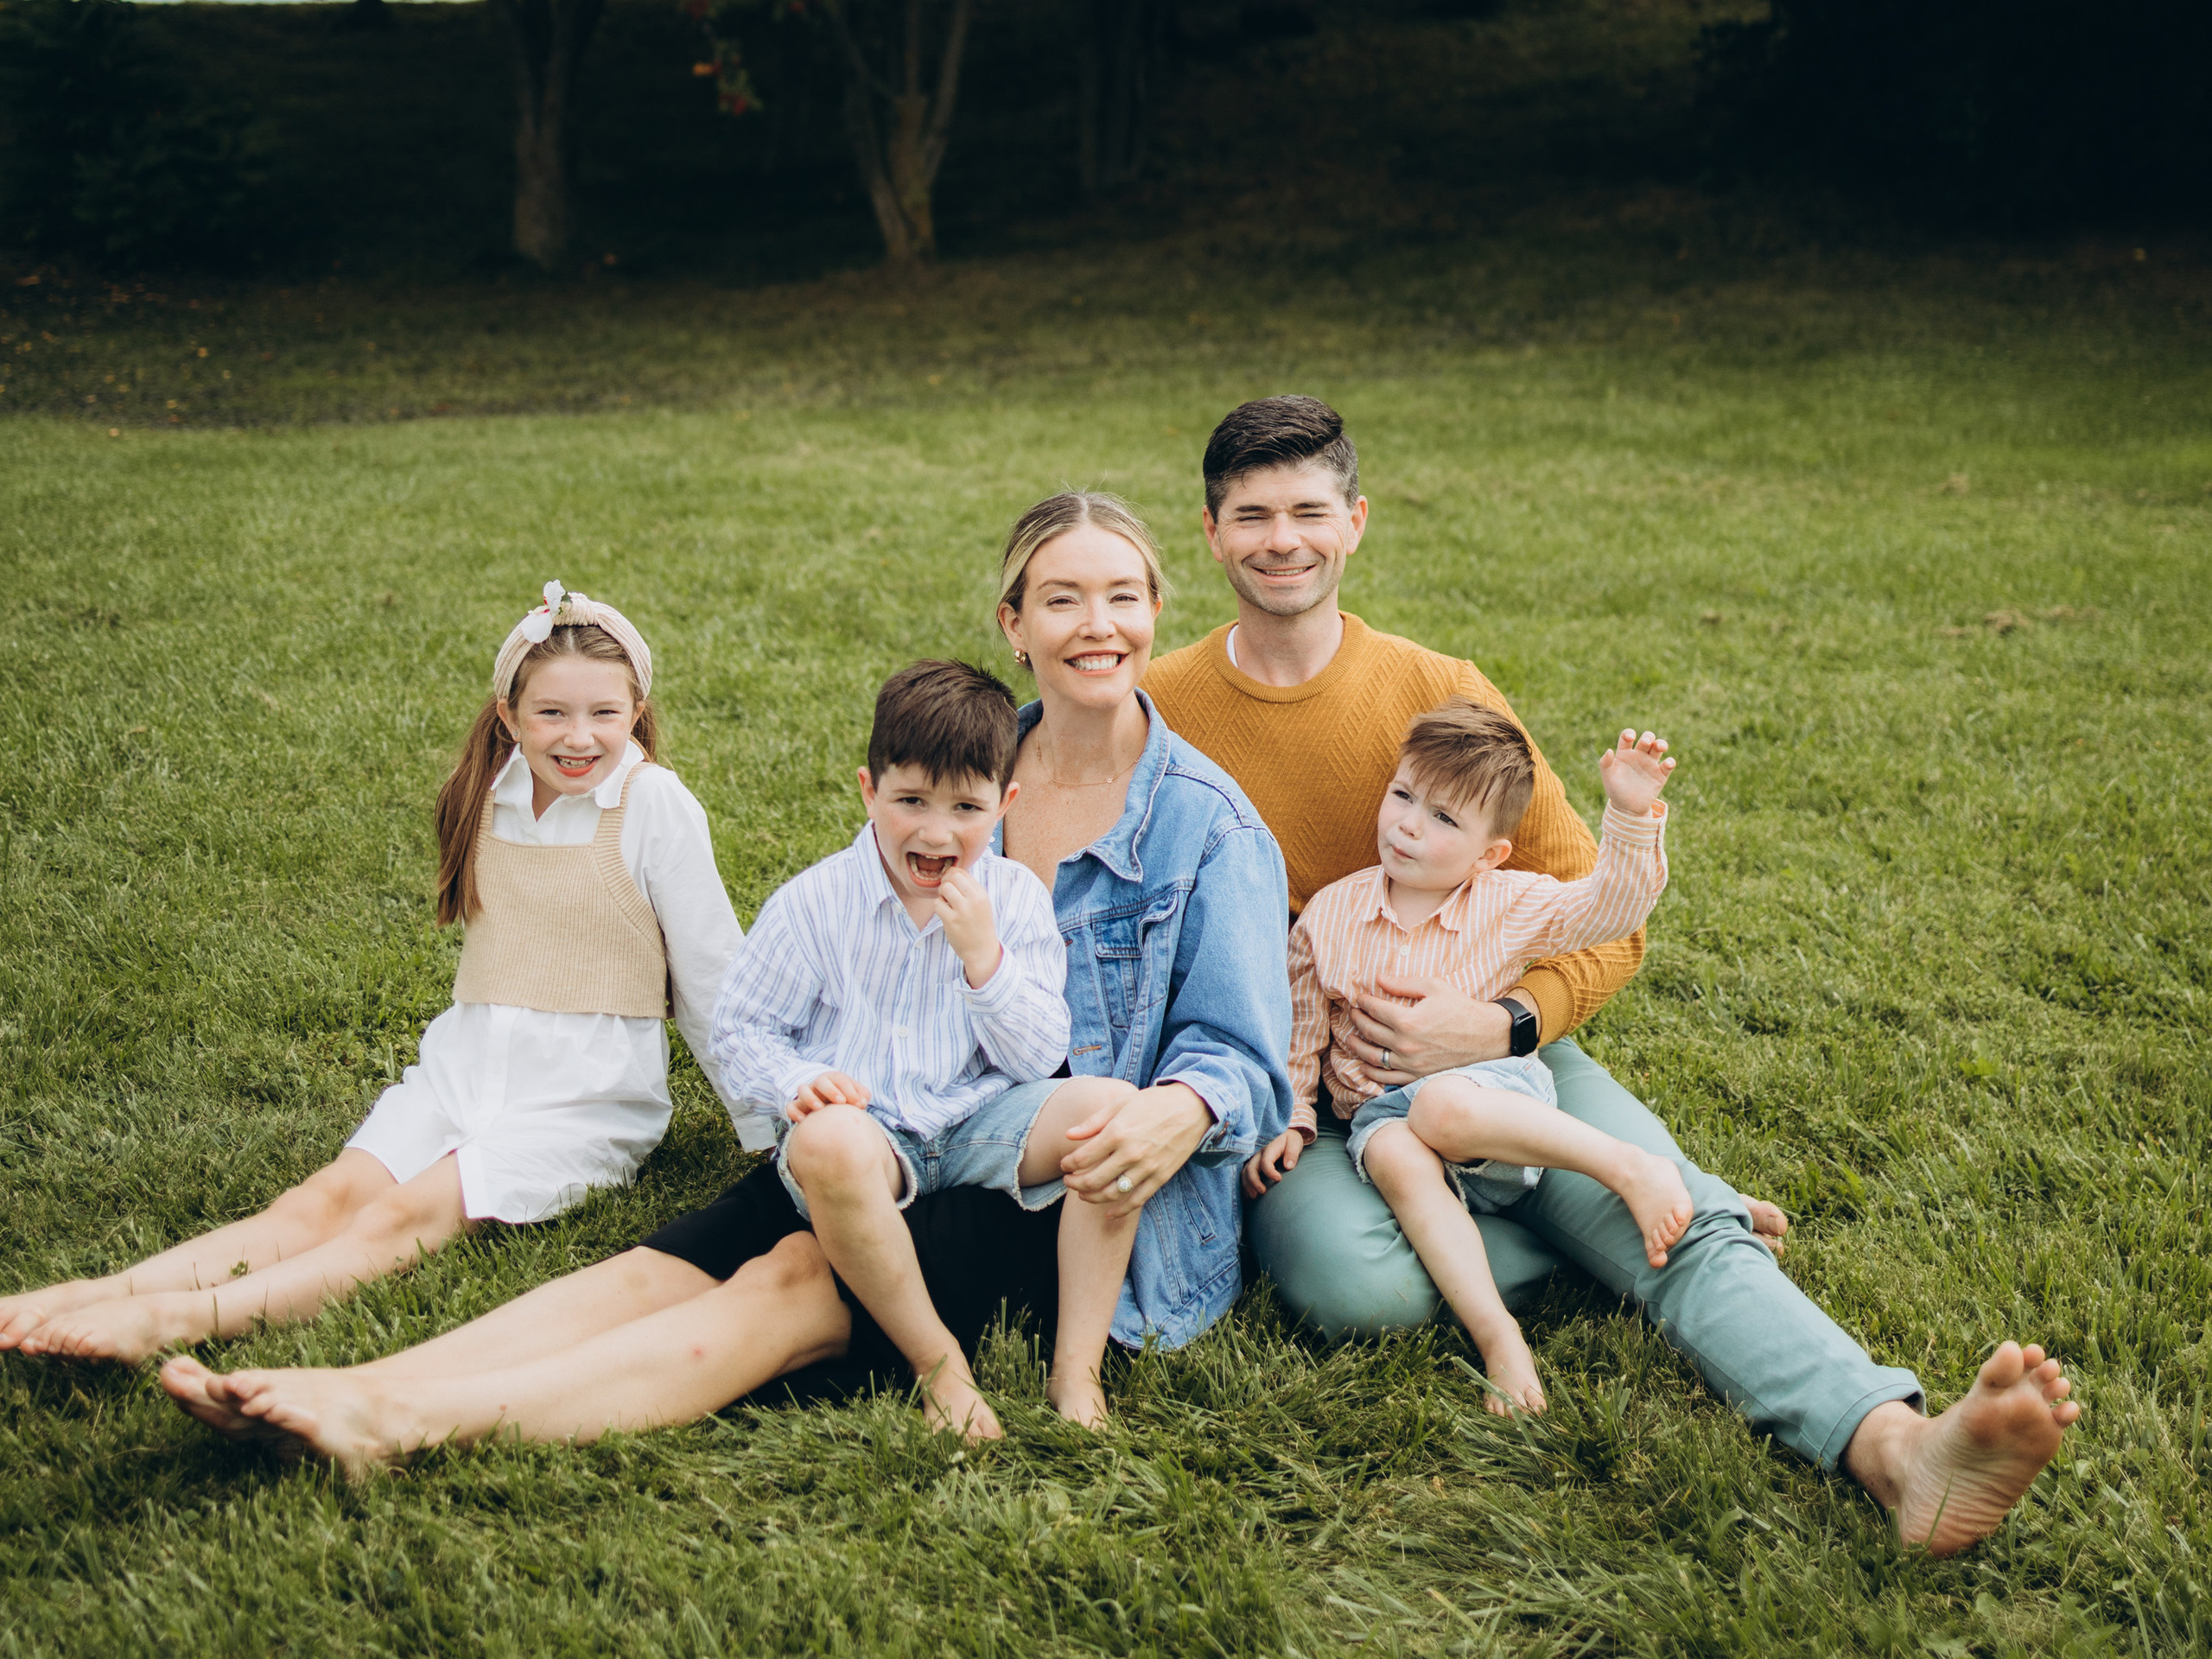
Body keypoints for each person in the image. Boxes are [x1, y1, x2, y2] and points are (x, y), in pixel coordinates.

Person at [156, 493, 1294, 1466]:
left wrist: (1179, 1108)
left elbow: (1245, 1060)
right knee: (660, 1267)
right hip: (878, 1121)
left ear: (1156, 613)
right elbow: (819, 976)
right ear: (1015, 624)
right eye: (1062, 598)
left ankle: (403, 1419)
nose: (1097, 625)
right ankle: (359, 1375)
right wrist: (801, 1092)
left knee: (786, 1289)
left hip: (1046, 1183)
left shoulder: (1206, 825)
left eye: (1124, 597)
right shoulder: (963, 755)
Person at [1146, 395, 2079, 1557]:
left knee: (1667, 1226)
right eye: (1251, 516)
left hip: (1499, 1062)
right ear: (1210, 532)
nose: (1281, 539)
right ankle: (1647, 1211)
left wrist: (1503, 1023)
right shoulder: (1164, 706)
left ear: (1357, 522)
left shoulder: (1446, 694)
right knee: (1354, 1290)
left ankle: (1898, 1452)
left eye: (1307, 511)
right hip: (1307, 1084)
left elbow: (1605, 919)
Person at [4, 582, 759, 1366]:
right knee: (319, 1201)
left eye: (604, 713)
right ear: (508, 716)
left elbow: (712, 973)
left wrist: (766, 1123)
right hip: (460, 1070)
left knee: (398, 1220)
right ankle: (81, 1297)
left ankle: (172, 1324)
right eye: (551, 714)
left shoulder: (653, 804)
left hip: (585, 1097)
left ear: (635, 711)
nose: (579, 737)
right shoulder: (485, 795)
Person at [712, 657, 1145, 1439]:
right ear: (868, 789)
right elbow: (740, 1028)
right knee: (830, 1143)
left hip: (974, 1119)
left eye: (967, 807)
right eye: (910, 800)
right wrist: (797, 1081)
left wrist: (986, 962)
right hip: (868, 1128)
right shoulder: (815, 904)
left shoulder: (1012, 900)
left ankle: (1077, 1368)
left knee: (1115, 1114)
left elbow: (1037, 1053)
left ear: (1005, 804)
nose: (936, 831)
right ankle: (938, 1363)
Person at [1249, 700, 1687, 1414]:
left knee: (1441, 1105)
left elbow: (1610, 910)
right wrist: (1293, 1116)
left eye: (1445, 819)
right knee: (1391, 1150)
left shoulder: (1508, 902)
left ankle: (1630, 1166)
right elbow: (1302, 1036)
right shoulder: (1329, 914)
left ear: (1490, 854)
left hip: (1488, 1098)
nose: (1409, 824)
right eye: (1403, 797)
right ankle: (1499, 1336)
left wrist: (1632, 819)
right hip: (1386, 1117)